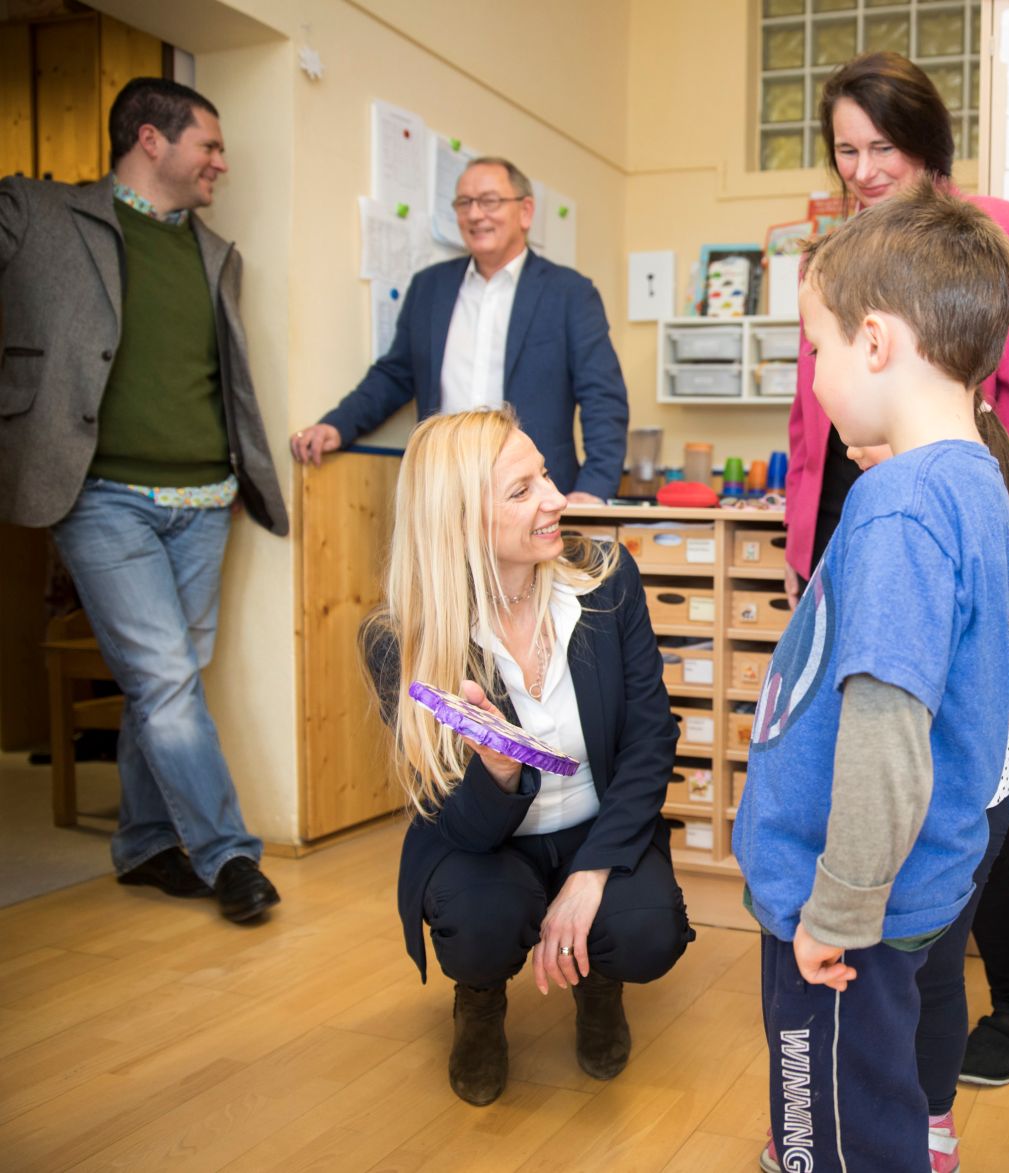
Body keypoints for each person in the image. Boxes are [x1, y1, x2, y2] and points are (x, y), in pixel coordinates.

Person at [784, 47, 1009, 1098]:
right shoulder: (841, 249)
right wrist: (796, 530)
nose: (860, 167)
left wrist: (1008, 535)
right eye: (845, 149)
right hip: (846, 509)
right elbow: (816, 404)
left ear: (927, 142)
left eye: (880, 145)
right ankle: (882, 958)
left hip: (947, 507)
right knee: (877, 747)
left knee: (957, 764)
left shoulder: (992, 235)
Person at [735, 183, 1009, 1173]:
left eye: (814, 350)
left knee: (832, 1129)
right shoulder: (970, 474)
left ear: (873, 342)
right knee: (875, 1102)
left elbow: (887, 737)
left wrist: (839, 909)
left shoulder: (903, 511)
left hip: (844, 912)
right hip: (896, 888)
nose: (812, 380)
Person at [0, 77, 287, 923]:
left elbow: (220, 376)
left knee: (166, 678)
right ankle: (228, 854)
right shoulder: (40, 216)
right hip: (101, 495)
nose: (222, 164)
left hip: (206, 498)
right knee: (165, 678)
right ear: (152, 141)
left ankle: (146, 842)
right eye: (210, 145)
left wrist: (235, 472)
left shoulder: (213, 254)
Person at [360, 406, 692, 1106]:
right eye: (522, 489)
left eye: (544, 473)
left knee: (647, 932)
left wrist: (592, 873)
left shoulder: (605, 581)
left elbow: (650, 737)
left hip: (594, 829)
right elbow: (457, 826)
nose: (555, 498)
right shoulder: (403, 639)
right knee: (478, 927)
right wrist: (500, 769)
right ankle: (478, 999)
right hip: (487, 847)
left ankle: (598, 978)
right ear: (457, 522)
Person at [290, 156, 628, 503]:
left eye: (490, 201)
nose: (475, 214)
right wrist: (337, 425)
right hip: (442, 492)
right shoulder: (429, 288)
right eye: (464, 203)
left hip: (534, 495)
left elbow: (603, 397)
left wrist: (593, 489)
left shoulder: (569, 292)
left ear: (526, 212)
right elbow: (395, 375)